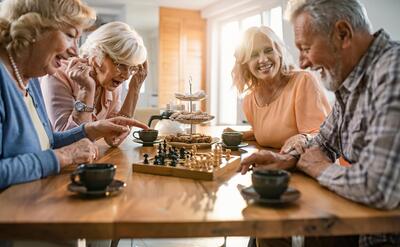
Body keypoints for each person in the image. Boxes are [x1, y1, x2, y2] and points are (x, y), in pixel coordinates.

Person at [241, 0, 400, 246]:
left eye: (305, 48)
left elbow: (379, 188)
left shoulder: (392, 72)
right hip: (355, 221)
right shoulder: (350, 81)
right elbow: (323, 141)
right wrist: (286, 159)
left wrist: (320, 168)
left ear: (342, 34)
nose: (302, 62)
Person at [0, 0, 148, 188]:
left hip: (38, 198)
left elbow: (48, 142)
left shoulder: (31, 79)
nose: (75, 51)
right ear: (33, 27)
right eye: (70, 35)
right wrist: (63, 156)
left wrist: (92, 129)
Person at [40, 21, 147, 146]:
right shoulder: (58, 75)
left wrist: (135, 88)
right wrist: (87, 90)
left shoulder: (112, 84)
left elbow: (114, 137)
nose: (127, 75)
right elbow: (71, 144)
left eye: (132, 68)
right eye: (121, 65)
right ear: (97, 54)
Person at [230, 26, 331, 153]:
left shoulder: (303, 81)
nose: (263, 59)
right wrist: (239, 135)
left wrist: (303, 138)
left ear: (279, 52)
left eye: (268, 50)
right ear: (245, 64)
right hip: (278, 168)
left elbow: (323, 135)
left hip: (314, 167)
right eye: (254, 55)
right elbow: (271, 133)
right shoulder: (249, 101)